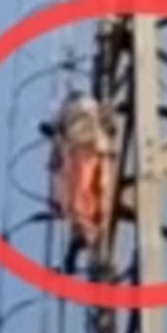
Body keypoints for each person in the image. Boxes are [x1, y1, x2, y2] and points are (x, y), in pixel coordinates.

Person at [49, 91, 113, 273]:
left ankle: (95, 260)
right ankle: (96, 260)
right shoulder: (86, 212)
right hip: (86, 150)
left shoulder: (79, 210)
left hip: (83, 151)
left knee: (80, 203)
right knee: (83, 202)